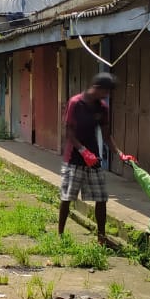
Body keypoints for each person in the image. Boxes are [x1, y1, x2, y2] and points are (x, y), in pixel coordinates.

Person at [58, 72, 134, 246]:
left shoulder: (102, 108)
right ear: (97, 88)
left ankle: (101, 236)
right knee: (67, 197)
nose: (107, 96)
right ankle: (60, 235)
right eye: (106, 92)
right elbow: (69, 133)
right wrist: (83, 151)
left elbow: (107, 136)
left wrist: (120, 153)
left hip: (93, 160)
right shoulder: (76, 103)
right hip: (74, 158)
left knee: (101, 198)